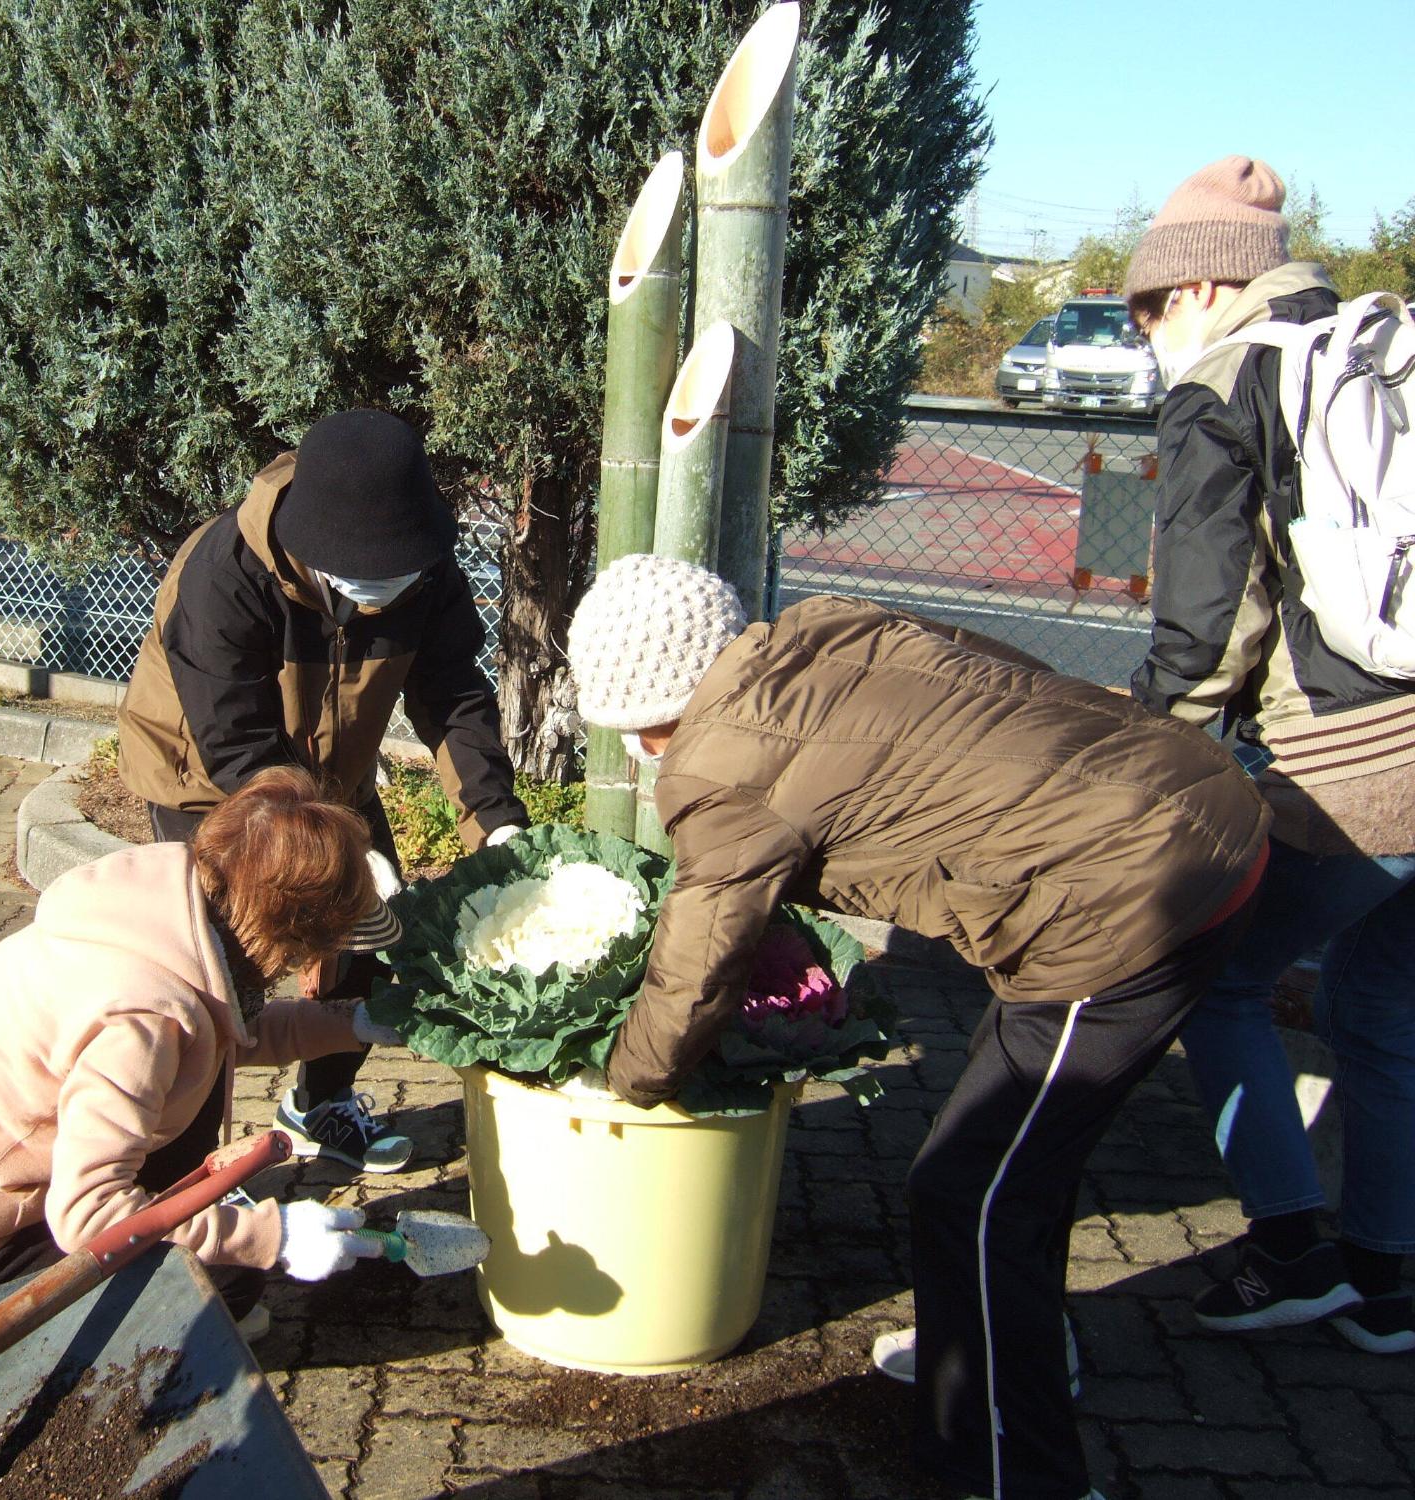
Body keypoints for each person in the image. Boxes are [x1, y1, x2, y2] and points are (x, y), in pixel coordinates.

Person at [566, 555, 1270, 1500]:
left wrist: (625, 1084)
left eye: (635, 729)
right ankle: (997, 1353)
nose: (641, 749)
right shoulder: (825, 627)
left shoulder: (719, 767)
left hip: (1130, 901)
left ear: (657, 708)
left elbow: (692, 975)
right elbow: (995, 685)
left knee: (968, 1191)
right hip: (1190, 796)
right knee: (1015, 1163)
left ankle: (1005, 1473)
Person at [1126, 155, 1415, 1354]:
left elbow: (1205, 631)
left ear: (1197, 288)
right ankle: (1384, 1276)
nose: (1146, 334)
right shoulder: (1373, 345)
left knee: (1221, 976)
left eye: (1146, 309)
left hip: (1364, 761)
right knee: (1381, 1000)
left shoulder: (1227, 377)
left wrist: (1137, 757)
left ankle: (1289, 1245)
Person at [0, 768, 402, 1334]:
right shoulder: (142, 1019)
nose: (309, 963)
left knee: (192, 1168)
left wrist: (354, 1021)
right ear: (286, 930)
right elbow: (88, 1216)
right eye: (315, 947)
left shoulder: (163, 912)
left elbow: (231, 1031)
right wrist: (269, 1239)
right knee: (225, 1279)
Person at [118, 408, 528, 1172]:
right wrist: (328, 853)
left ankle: (319, 1104)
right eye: (364, 581)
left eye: (396, 580)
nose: (381, 598)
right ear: (317, 551)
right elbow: (237, 744)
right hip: (208, 777)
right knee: (215, 969)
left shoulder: (424, 565)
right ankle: (183, 1162)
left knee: (374, 932)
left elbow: (452, 695)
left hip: (334, 769)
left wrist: (497, 822)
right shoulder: (224, 574)